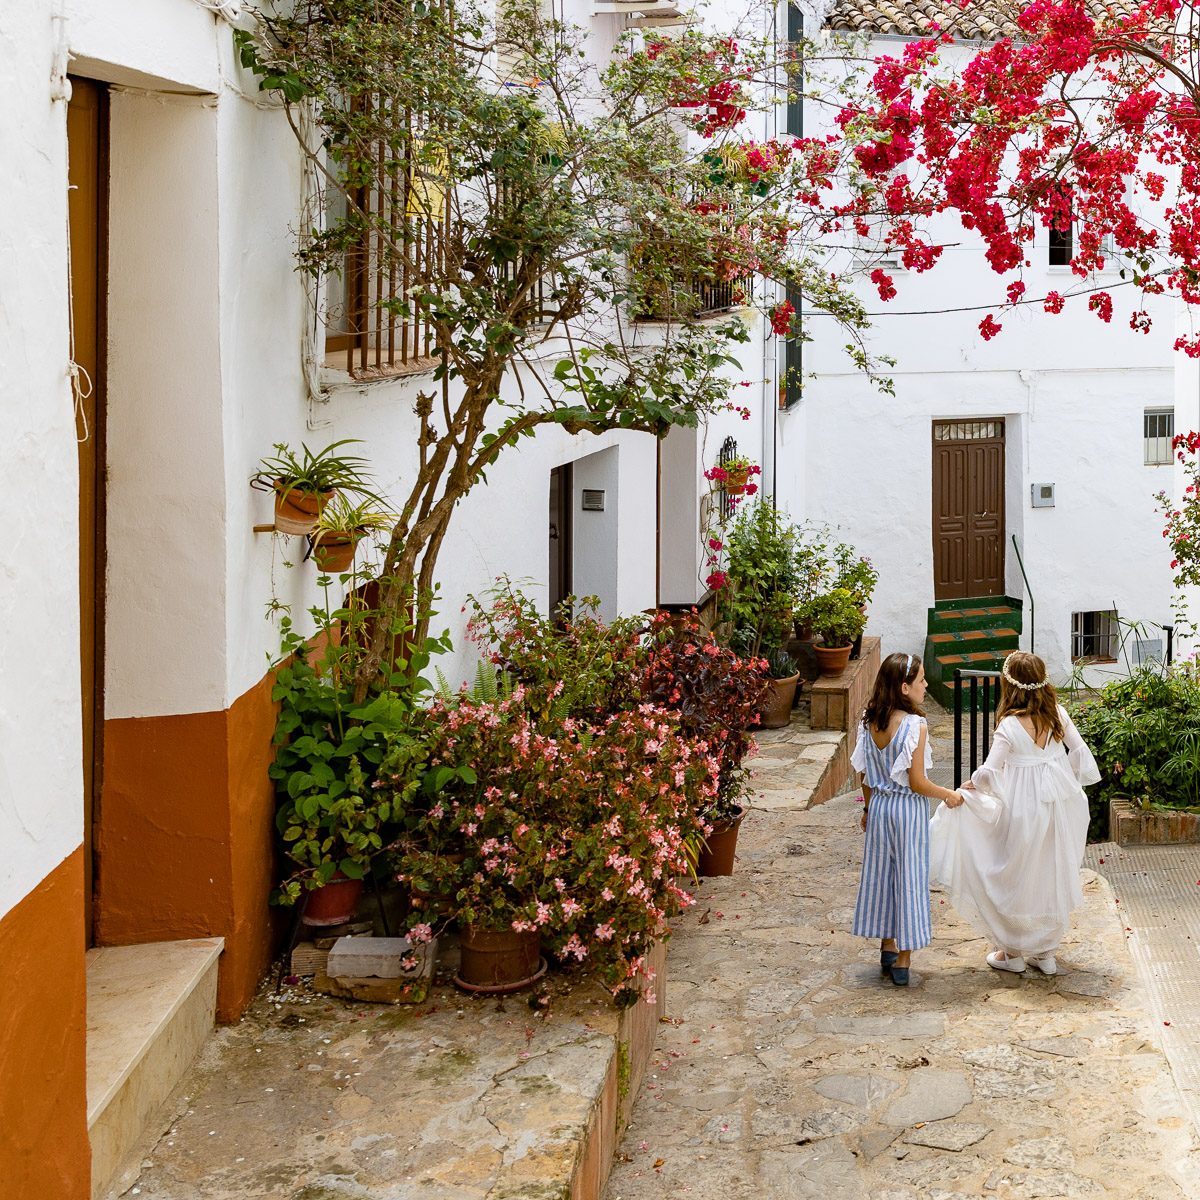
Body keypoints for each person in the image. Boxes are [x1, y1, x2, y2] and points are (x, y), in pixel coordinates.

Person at [928, 651, 1101, 975]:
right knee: (1049, 873)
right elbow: (1079, 751)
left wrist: (974, 785)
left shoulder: (1009, 724)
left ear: (1011, 685)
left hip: (1022, 808)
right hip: (1057, 806)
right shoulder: (1057, 715)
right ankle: (1045, 953)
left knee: (1014, 874)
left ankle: (1013, 952)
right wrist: (1065, 781)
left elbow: (989, 772)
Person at [851, 652, 965, 986]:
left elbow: (865, 776)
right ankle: (903, 958)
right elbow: (916, 782)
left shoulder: (868, 721)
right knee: (909, 880)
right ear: (904, 687)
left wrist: (868, 810)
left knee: (883, 876)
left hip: (881, 809)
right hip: (907, 812)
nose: (926, 685)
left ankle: (886, 944)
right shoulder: (915, 726)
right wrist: (948, 794)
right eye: (921, 681)